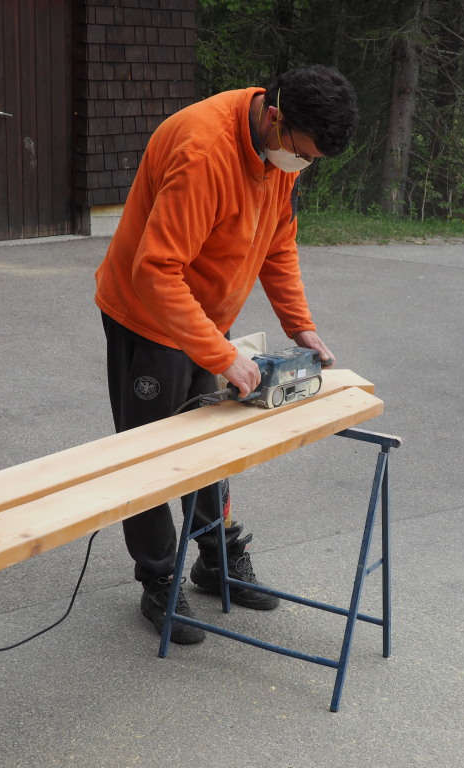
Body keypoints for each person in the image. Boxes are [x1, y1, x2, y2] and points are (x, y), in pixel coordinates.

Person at [94, 65, 359, 645]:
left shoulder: (276, 154)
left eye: (310, 160)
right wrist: (218, 353)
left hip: (205, 317)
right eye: (301, 153)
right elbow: (155, 271)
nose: (300, 166)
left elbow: (278, 244)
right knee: (151, 454)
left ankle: (216, 560)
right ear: (275, 117)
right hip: (147, 316)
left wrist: (301, 327)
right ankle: (159, 577)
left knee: (211, 445)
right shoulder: (204, 151)